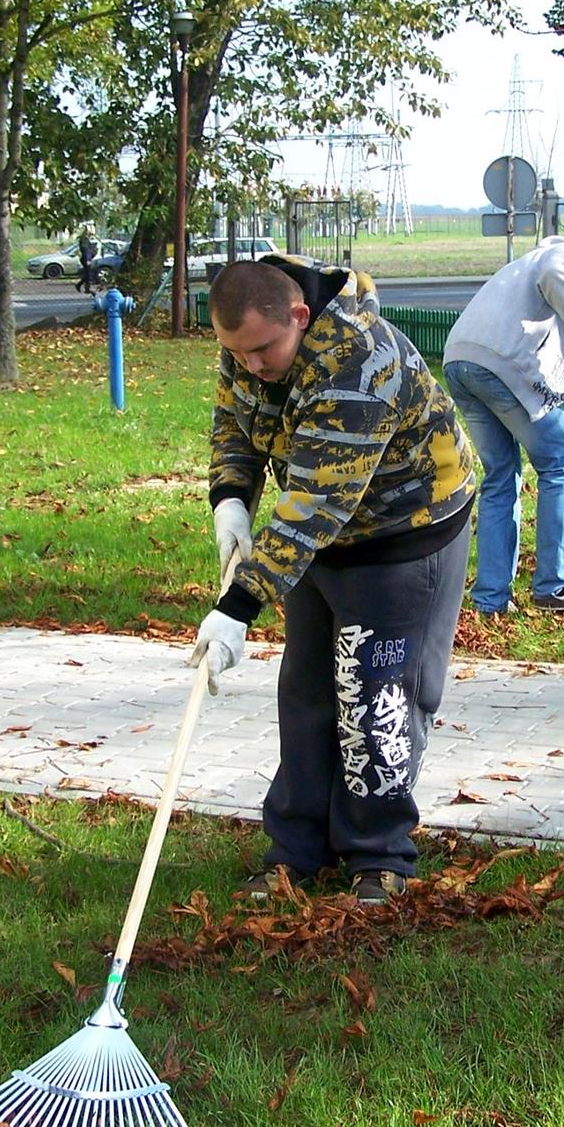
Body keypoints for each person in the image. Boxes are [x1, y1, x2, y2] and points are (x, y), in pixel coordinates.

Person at [190, 256, 476, 905]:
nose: (251, 365)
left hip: (405, 532)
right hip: (326, 537)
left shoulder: (358, 358)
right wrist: (230, 498)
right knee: (309, 688)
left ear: (298, 315)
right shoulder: (252, 337)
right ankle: (296, 849)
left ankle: (379, 857)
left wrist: (237, 606)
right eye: (237, 352)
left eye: (263, 350)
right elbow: (234, 423)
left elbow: (316, 503)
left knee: (376, 697)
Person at [442, 236, 564, 615]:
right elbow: (555, 275)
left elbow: (546, 370)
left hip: (462, 362)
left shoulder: (528, 267)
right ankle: (557, 583)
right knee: (561, 462)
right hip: (501, 367)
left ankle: (491, 600)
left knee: (501, 475)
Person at [76, 228, 97, 293]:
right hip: (86, 259)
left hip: (87, 258)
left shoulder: (87, 239)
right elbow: (86, 250)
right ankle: (86, 288)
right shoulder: (84, 239)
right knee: (88, 274)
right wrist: (88, 259)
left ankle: (82, 285)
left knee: (87, 274)